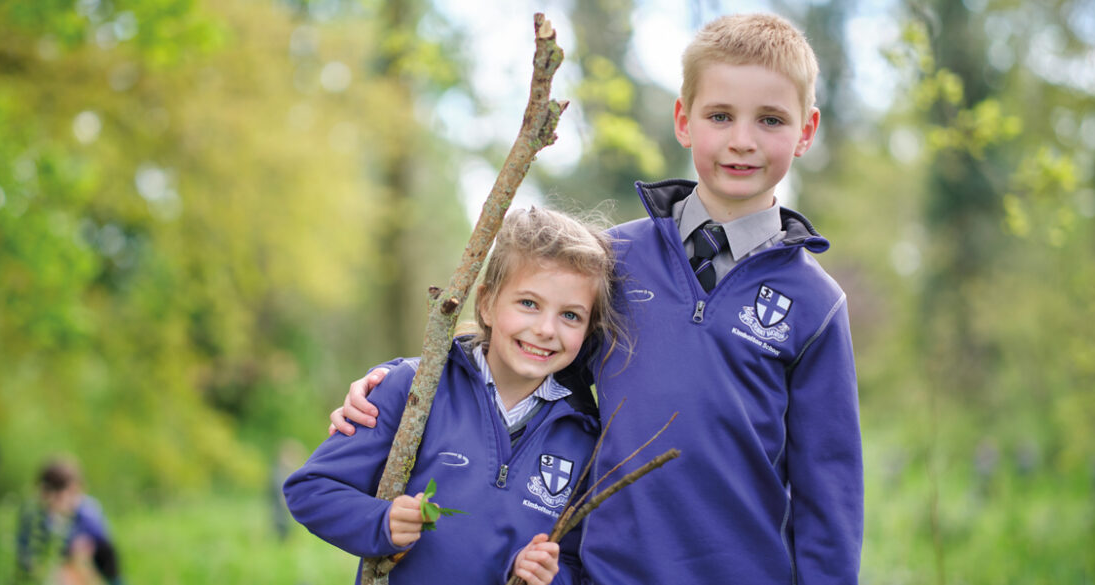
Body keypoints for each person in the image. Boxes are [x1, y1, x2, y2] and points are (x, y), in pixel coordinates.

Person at [332, 13, 863, 585]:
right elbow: (525, 358)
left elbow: (828, 492)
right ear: (684, 121)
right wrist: (403, 382)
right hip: (603, 572)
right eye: (720, 116)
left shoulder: (814, 303)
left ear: (806, 132)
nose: (742, 139)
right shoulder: (610, 260)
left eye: (771, 120)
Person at [285, 207, 628, 585]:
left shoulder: (585, 435)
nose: (546, 329)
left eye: (570, 316)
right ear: (486, 303)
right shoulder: (413, 388)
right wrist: (380, 522)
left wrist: (549, 575)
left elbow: (578, 562)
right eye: (528, 303)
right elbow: (312, 490)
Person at [16, 457, 123, 585]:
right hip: (50, 564)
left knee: (88, 555)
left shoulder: (87, 509)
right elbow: (26, 552)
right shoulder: (34, 514)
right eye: (68, 493)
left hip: (87, 560)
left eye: (76, 492)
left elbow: (103, 543)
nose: (72, 499)